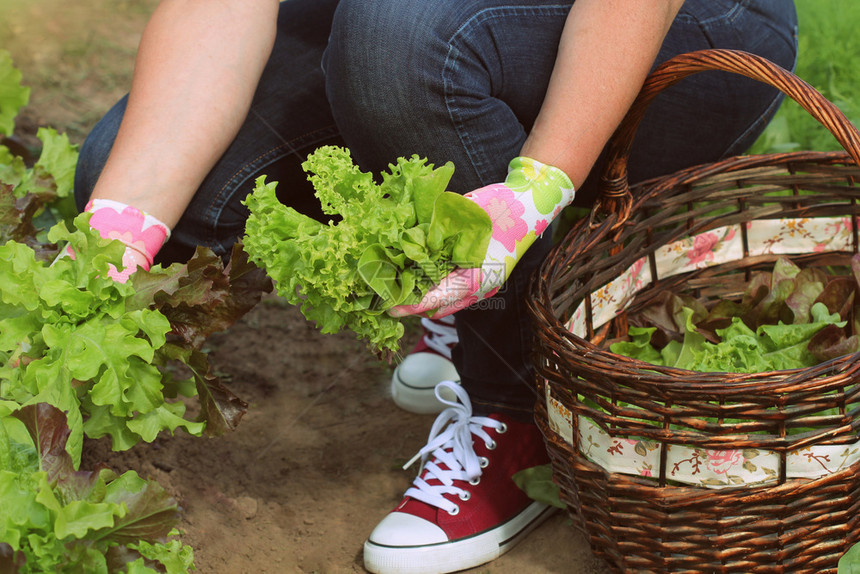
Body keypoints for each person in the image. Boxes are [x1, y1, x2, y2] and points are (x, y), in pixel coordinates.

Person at [73, 0, 798, 572]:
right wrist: (120, 229)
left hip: (675, 23)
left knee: (400, 39)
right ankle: (453, 273)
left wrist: (536, 192)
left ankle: (516, 402)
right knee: (129, 171)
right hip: (417, 19)